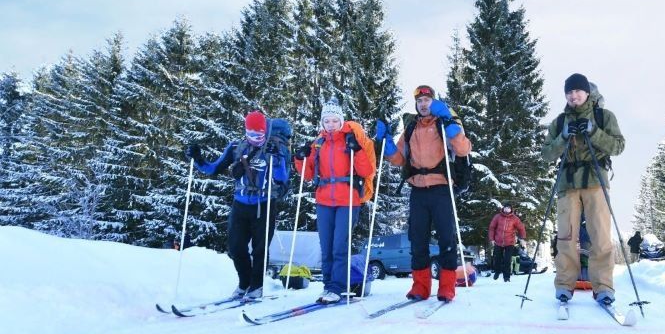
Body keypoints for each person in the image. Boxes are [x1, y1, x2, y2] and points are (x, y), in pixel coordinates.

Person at [374, 85, 472, 302]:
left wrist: (450, 123)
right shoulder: (410, 128)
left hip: (441, 189)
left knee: (446, 239)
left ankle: (447, 287)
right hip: (418, 190)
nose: (423, 104)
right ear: (416, 105)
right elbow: (399, 159)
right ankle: (420, 287)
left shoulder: (444, 123)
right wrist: (387, 143)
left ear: (434, 102)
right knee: (417, 240)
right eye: (420, 101)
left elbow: (464, 150)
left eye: (427, 100)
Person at [185, 110, 291, 300]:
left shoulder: (275, 148)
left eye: (259, 135)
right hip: (240, 204)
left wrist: (277, 161)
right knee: (236, 247)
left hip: (265, 204)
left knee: (260, 249)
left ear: (265, 132)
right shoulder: (236, 147)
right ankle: (244, 283)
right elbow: (213, 169)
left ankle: (256, 287)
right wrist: (198, 159)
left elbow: (282, 179)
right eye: (250, 135)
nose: (255, 139)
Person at [541, 73, 625, 306]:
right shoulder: (559, 122)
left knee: (600, 237)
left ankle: (604, 287)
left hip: (595, 181)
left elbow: (618, 146)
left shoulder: (603, 116)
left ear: (587, 92)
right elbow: (546, 154)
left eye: (578, 91)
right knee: (566, 237)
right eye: (569, 92)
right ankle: (564, 286)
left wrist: (593, 131)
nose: (573, 95)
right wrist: (564, 137)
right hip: (567, 184)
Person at [295, 98, 376, 304]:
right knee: (327, 245)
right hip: (324, 199)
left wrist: (356, 150)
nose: (330, 125)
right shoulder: (319, 143)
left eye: (334, 121)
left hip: (348, 200)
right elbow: (307, 174)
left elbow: (367, 171)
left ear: (341, 121)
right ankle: (328, 285)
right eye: (327, 121)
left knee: (340, 245)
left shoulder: (350, 140)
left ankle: (336, 287)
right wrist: (299, 157)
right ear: (322, 123)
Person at [488, 202, 527, 282]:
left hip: (509, 242)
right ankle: (497, 272)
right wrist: (491, 239)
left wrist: (522, 238)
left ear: (511, 209)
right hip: (498, 241)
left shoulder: (514, 218)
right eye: (506, 208)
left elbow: (521, 228)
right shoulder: (497, 217)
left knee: (507, 260)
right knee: (497, 258)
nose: (507, 209)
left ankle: (507, 277)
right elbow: (492, 227)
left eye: (509, 208)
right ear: (503, 208)